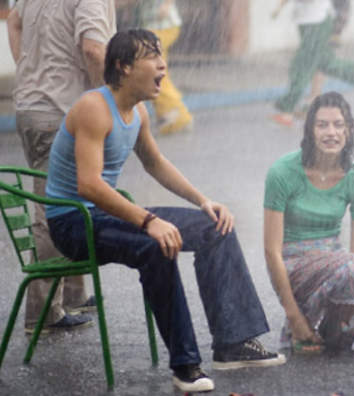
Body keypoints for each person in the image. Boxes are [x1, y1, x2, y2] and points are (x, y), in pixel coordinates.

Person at [44, 29, 285, 392]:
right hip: (73, 223)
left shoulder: (138, 112)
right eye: (152, 57)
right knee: (157, 245)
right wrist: (150, 221)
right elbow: (89, 186)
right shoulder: (93, 108)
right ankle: (185, 366)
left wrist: (203, 201)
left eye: (162, 56)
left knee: (214, 226)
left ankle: (233, 343)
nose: (163, 64)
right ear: (124, 67)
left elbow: (155, 162)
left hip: (107, 215)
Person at [6, 0, 116, 333]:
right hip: (61, 110)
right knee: (53, 208)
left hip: (34, 105)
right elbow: (95, 50)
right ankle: (42, 312)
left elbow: (13, 20)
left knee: (70, 197)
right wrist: (104, 100)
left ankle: (72, 293)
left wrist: (27, 69)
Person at [263, 91, 354, 356]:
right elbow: (271, 251)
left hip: (340, 266)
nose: (331, 132)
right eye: (322, 124)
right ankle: (304, 325)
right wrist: (294, 317)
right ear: (310, 130)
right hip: (294, 262)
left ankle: (332, 325)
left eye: (338, 124)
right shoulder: (282, 172)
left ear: (349, 130)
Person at [270, 0, 354, 127]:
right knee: (325, 63)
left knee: (302, 66)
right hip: (307, 20)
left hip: (317, 21)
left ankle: (287, 110)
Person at [135, 0, 193, 135]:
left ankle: (175, 114)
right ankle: (169, 114)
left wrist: (166, 4)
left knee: (154, 72)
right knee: (154, 71)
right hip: (154, 26)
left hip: (162, 26)